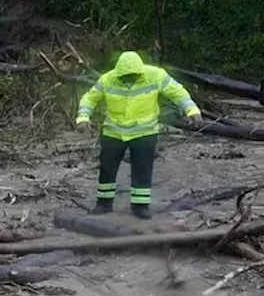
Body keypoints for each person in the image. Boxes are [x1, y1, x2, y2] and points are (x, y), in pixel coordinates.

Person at [76, 51, 203, 219]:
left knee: (142, 168)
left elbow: (178, 93)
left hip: (144, 131)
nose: (128, 79)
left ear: (140, 71)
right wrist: (83, 118)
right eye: (124, 77)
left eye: (132, 76)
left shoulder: (156, 75)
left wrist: (192, 110)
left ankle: (140, 206)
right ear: (118, 72)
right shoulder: (107, 79)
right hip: (113, 131)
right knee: (107, 168)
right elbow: (89, 99)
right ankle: (104, 204)